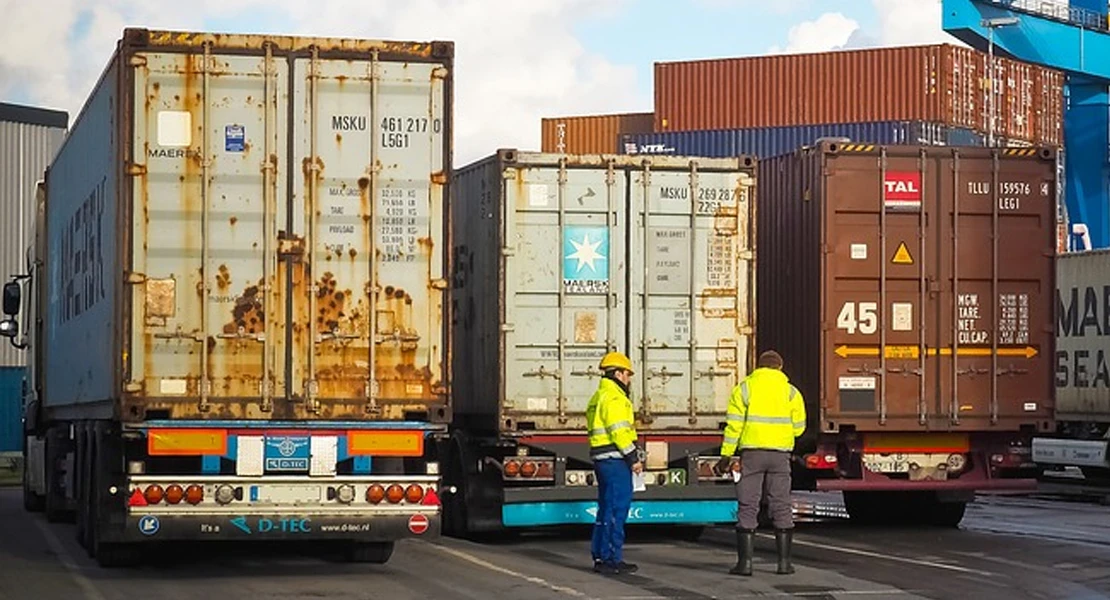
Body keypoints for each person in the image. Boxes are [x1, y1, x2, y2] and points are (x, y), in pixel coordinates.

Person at [717, 350, 806, 576]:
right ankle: (784, 564)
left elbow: (734, 426)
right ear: (780, 367)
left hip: (752, 454)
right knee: (781, 505)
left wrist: (726, 454)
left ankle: (745, 565)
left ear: (759, 366)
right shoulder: (791, 392)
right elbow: (799, 427)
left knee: (748, 505)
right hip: (780, 456)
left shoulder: (744, 388)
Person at [586, 351, 643, 575]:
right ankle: (611, 558)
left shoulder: (599, 396)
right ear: (618, 373)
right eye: (627, 374)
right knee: (617, 509)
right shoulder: (615, 398)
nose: (628, 379)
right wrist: (633, 458)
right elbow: (619, 432)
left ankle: (600, 555)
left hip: (602, 459)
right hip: (615, 460)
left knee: (606, 509)